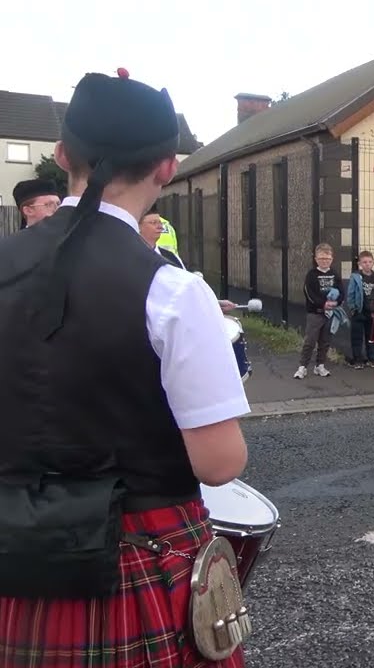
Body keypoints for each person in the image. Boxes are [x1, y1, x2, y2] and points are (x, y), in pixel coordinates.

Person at [0, 69, 249, 666]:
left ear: (62, 156)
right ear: (167, 166)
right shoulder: (173, 290)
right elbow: (220, 464)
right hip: (133, 559)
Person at [295, 243, 341, 379]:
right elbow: (309, 293)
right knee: (310, 340)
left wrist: (336, 302)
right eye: (321, 258)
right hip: (315, 313)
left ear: (332, 259)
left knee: (325, 340)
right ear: (316, 259)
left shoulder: (334, 274)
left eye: (327, 259)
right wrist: (323, 304)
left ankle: (320, 365)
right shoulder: (312, 274)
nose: (324, 261)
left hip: (330, 313)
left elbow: (341, 291)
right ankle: (302, 366)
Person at [141, 204, 185, 269]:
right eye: (153, 223)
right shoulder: (130, 256)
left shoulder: (172, 257)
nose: (160, 227)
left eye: (160, 222)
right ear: (138, 226)